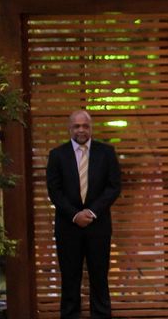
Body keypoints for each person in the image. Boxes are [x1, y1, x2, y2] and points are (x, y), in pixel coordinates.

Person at [46, 110, 122, 319]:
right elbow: (54, 191)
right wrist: (75, 215)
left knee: (99, 279)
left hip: (98, 227)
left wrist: (91, 212)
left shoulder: (106, 153)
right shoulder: (57, 155)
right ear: (69, 128)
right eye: (77, 126)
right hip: (68, 228)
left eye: (85, 126)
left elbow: (113, 187)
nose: (81, 130)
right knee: (70, 280)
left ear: (91, 128)